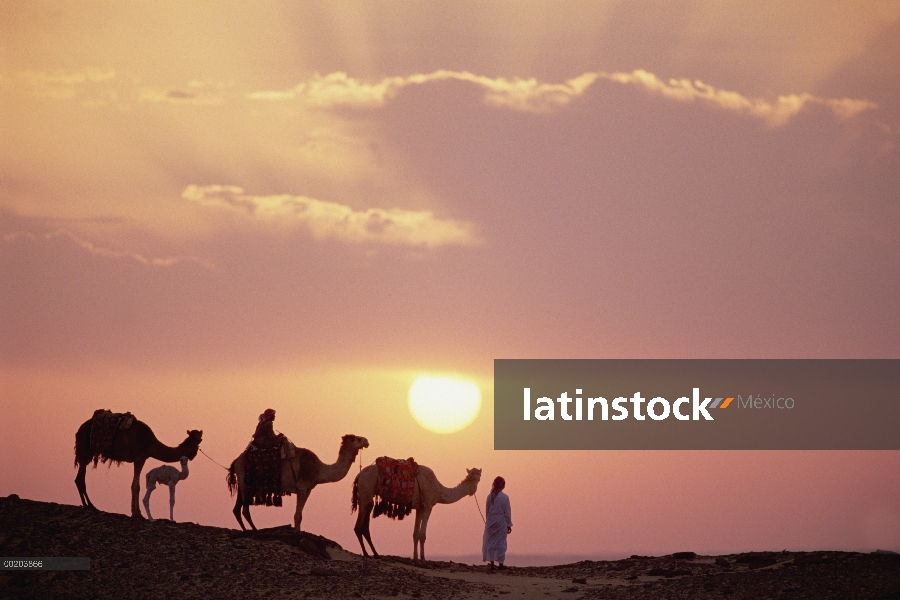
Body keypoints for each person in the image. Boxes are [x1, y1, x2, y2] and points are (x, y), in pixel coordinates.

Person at [482, 476, 512, 570]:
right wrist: (509, 524)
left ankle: (491, 564)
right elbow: (507, 512)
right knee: (501, 542)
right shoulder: (504, 497)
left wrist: (488, 522)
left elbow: (487, 511)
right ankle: (501, 564)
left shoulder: (489, 497)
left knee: (490, 542)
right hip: (501, 522)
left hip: (491, 521)